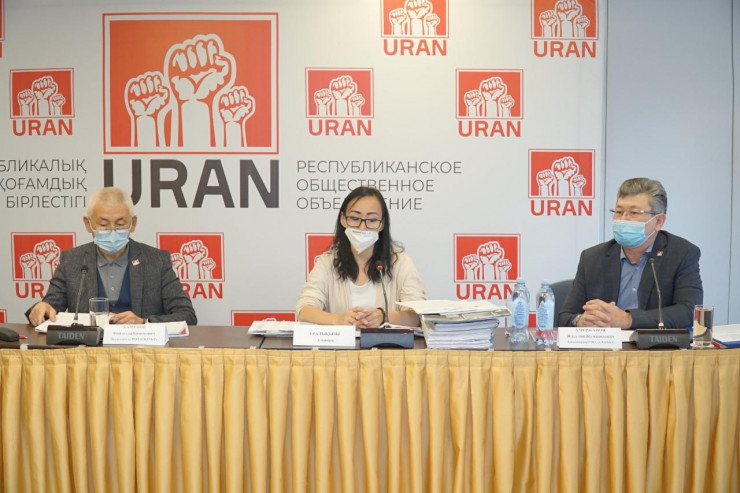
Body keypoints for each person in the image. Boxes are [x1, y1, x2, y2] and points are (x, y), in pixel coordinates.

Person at [26, 187, 197, 326]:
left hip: (141, 350)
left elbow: (187, 315)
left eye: (120, 224)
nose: (112, 230)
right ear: (88, 224)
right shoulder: (72, 260)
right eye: (103, 224)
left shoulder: (156, 261)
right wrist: (41, 308)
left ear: (133, 223)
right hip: (88, 352)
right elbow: (49, 309)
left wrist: (144, 322)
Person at [558, 178, 702, 329]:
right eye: (619, 212)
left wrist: (628, 319)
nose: (623, 219)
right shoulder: (592, 258)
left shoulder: (682, 254)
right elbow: (565, 317)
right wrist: (581, 320)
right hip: (606, 344)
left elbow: (689, 312)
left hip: (654, 344)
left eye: (633, 213)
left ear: (658, 221)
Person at [297, 186, 426, 328]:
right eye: (354, 218)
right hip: (341, 343)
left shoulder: (401, 263)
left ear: (382, 224)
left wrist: (384, 316)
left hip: (387, 343)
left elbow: (418, 316)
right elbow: (304, 311)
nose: (362, 227)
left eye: (372, 220)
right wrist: (340, 319)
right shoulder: (327, 263)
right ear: (343, 219)